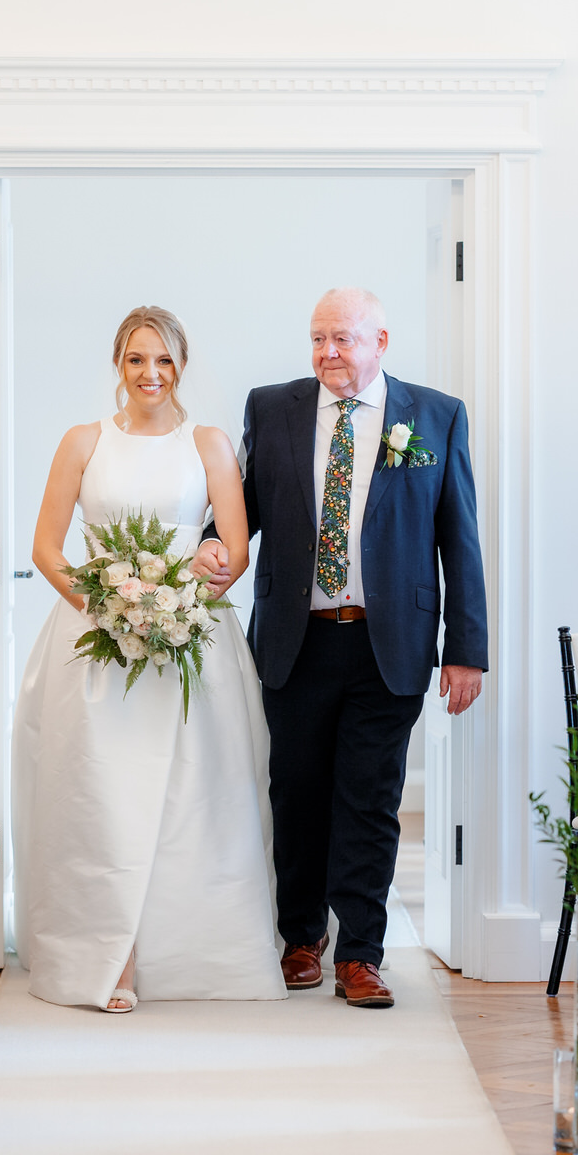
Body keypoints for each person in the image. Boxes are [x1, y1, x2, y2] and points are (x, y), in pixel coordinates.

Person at [195, 288, 487, 1008]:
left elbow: (461, 537)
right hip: (295, 637)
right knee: (295, 790)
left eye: (344, 339)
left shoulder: (435, 415)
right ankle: (300, 936)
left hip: (391, 641)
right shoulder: (273, 408)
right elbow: (243, 510)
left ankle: (361, 951)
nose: (329, 353)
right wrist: (209, 544)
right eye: (318, 339)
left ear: (380, 340)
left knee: (371, 797)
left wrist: (467, 646)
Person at [12, 307, 287, 1012]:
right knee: (100, 793)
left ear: (182, 366)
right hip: (95, 643)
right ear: (118, 365)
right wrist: (107, 605)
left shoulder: (210, 444)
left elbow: (234, 546)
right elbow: (46, 548)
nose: (150, 373)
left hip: (191, 638)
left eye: (163, 360)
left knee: (195, 796)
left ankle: (192, 951)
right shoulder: (83, 441)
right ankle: (113, 955)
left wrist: (180, 595)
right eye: (137, 359)